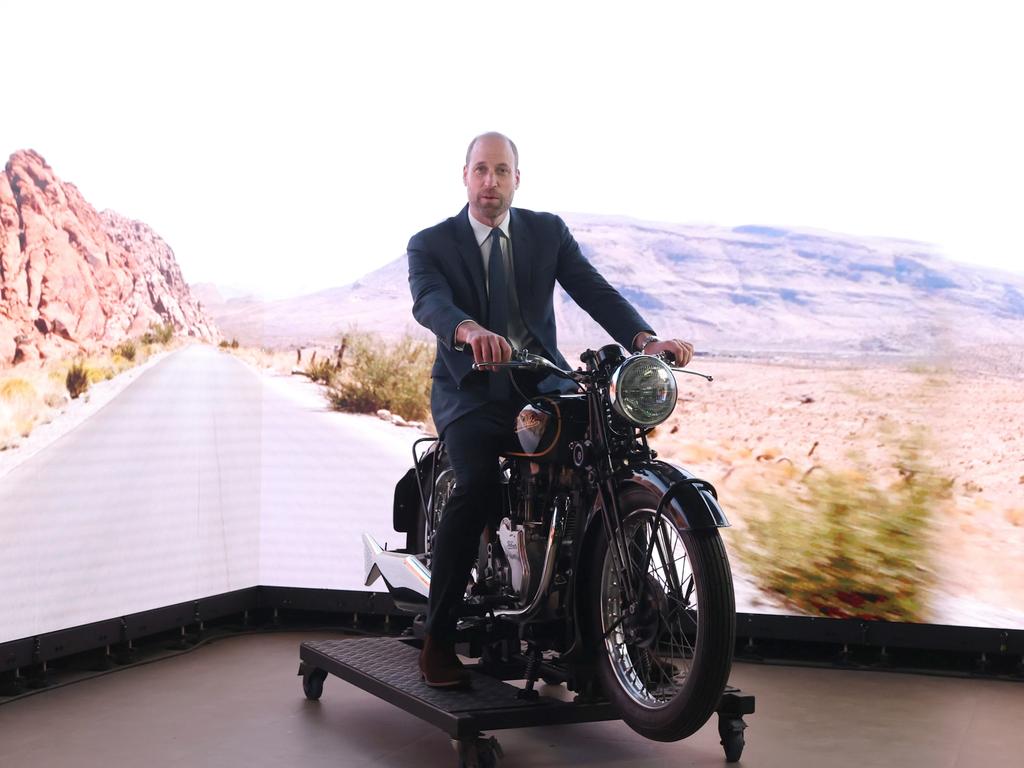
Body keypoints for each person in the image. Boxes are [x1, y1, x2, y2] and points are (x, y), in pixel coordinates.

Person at [407, 132, 693, 687]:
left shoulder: (546, 232)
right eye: (482, 171)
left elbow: (592, 289)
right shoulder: (431, 243)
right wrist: (468, 331)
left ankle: (611, 636)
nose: (492, 182)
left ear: (518, 179)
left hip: (540, 383)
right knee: (477, 488)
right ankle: (438, 641)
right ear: (465, 175)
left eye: (503, 171)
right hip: (470, 391)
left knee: (610, 469)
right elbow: (430, 302)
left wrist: (644, 341)